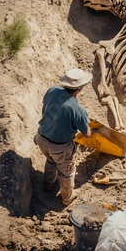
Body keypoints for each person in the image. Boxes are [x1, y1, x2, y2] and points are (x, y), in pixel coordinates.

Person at [34, 68, 93, 205]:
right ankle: (67, 198)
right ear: (80, 88)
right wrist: (89, 127)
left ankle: (48, 183)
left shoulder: (52, 90)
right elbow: (86, 133)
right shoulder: (77, 110)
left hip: (41, 137)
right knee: (67, 171)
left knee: (51, 160)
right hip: (59, 147)